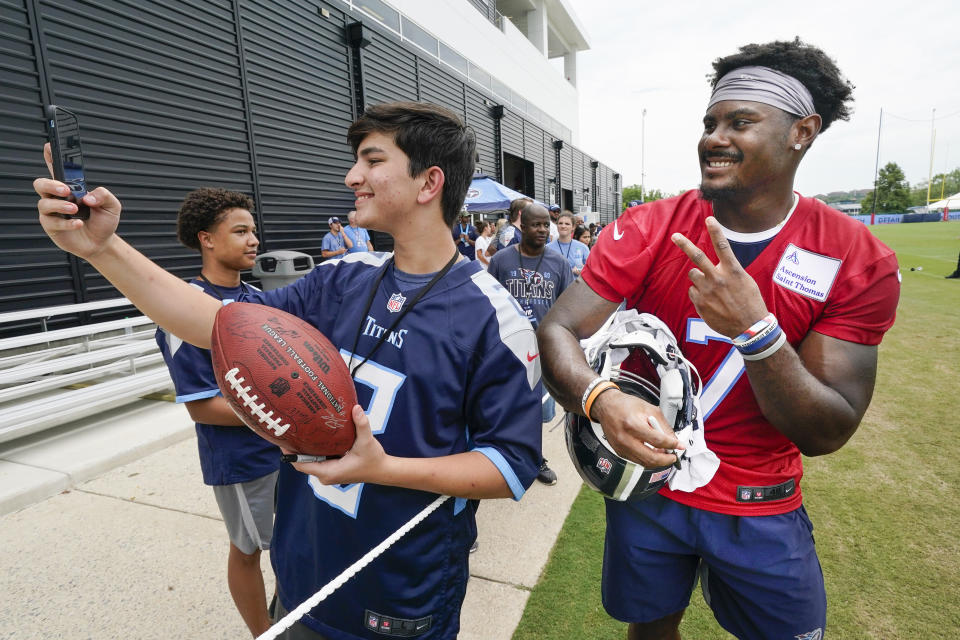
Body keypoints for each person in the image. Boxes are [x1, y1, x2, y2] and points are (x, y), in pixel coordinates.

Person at [34, 100, 543, 640]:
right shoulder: (343, 276)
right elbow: (219, 326)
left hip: (401, 589)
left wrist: (383, 468)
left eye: (372, 161)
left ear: (428, 182)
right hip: (304, 567)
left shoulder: (495, 318)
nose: (353, 177)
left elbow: (511, 465)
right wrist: (103, 248)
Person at [538, 39, 899, 640]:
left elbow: (827, 430)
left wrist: (756, 333)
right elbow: (557, 329)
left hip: (760, 500)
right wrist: (600, 397)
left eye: (740, 122)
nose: (713, 137)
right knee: (650, 632)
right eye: (709, 122)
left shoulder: (857, 257)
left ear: (801, 133)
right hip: (653, 488)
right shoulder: (651, 224)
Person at [155, 187, 280, 637]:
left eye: (254, 230)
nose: (254, 240)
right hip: (242, 460)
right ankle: (263, 631)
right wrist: (278, 418)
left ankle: (290, 615)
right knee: (248, 550)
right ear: (207, 239)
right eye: (241, 231)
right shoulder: (183, 308)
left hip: (284, 450)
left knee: (289, 545)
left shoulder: (259, 300)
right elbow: (203, 407)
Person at [489, 203, 574, 486]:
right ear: (522, 227)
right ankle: (501, 454)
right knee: (503, 405)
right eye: (536, 225)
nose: (542, 230)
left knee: (537, 410)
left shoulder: (559, 264)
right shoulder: (501, 260)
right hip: (507, 349)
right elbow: (487, 304)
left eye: (545, 226)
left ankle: (535, 458)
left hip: (541, 350)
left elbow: (566, 308)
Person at [546, 211, 590, 276]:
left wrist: (583, 271)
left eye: (567, 224)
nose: (563, 226)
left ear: (573, 227)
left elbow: (591, 271)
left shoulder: (583, 248)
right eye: (560, 223)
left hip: (576, 285)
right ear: (557, 225)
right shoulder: (547, 248)